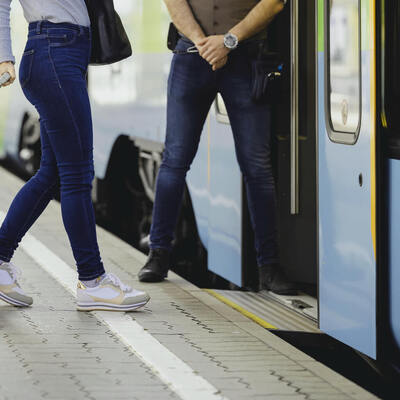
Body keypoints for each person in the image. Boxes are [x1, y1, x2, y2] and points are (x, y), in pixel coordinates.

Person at [139, 0, 297, 295]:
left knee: (257, 166)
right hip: (191, 54)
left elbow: (274, 3)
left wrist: (228, 41)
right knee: (175, 160)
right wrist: (203, 43)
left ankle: (269, 267)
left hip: (246, 57)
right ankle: (158, 254)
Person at [0, 0, 150, 311]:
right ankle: (93, 281)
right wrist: (3, 57)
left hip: (65, 52)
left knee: (52, 173)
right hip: (54, 50)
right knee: (77, 175)